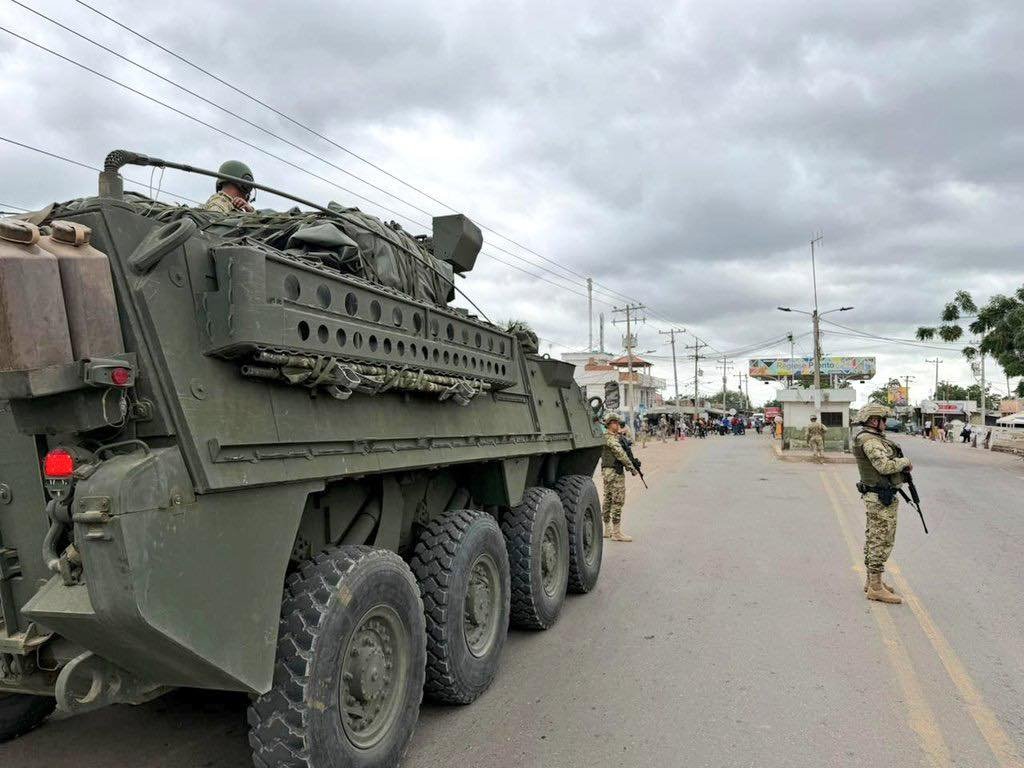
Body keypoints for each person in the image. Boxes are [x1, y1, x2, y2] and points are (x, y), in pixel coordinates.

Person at [852, 404, 912, 604]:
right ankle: (876, 588)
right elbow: (884, 466)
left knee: (874, 537)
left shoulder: (871, 438)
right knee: (881, 539)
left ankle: (872, 582)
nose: (886, 424)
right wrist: (905, 462)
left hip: (878, 496)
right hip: (879, 497)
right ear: (873, 420)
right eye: (883, 420)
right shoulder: (870, 441)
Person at [601, 412, 639, 542]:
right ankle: (616, 533)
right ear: (611, 424)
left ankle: (607, 530)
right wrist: (632, 468)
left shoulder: (609, 436)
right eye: (616, 423)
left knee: (608, 499)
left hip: (608, 472)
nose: (618, 425)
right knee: (617, 501)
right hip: (614, 472)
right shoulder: (610, 438)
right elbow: (620, 454)